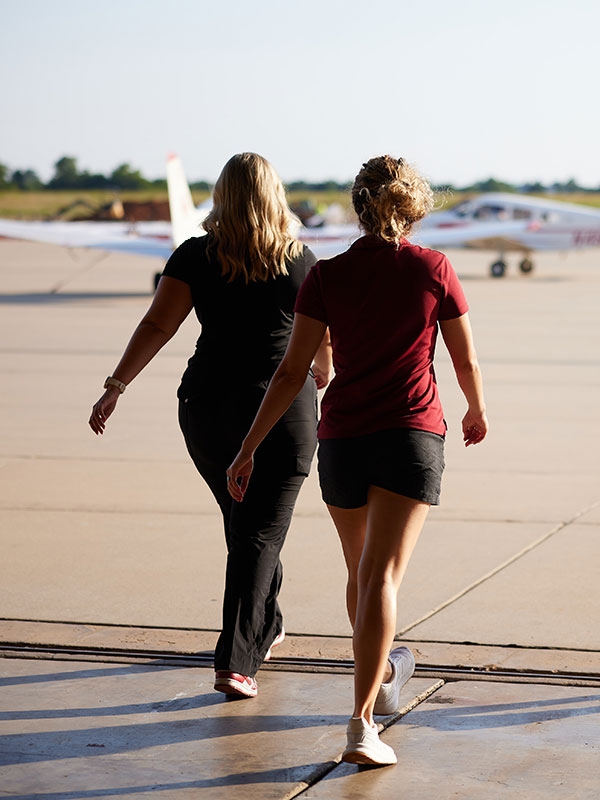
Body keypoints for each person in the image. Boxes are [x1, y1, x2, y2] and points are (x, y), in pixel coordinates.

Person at [226, 155, 488, 765]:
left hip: (342, 438)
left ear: (360, 206)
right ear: (415, 206)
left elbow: (293, 371)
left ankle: (387, 671)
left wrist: (247, 447)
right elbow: (464, 358)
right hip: (410, 434)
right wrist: (476, 408)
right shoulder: (433, 268)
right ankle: (362, 722)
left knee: (363, 575)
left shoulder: (328, 274)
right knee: (381, 578)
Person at [89, 152, 332, 699]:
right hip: (283, 412)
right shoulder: (302, 262)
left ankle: (264, 625)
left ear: (221, 196)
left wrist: (115, 386)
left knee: (246, 526)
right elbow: (322, 344)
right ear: (276, 196)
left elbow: (158, 324)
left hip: (206, 408)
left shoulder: (195, 257)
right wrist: (325, 376)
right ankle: (236, 660)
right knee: (259, 532)